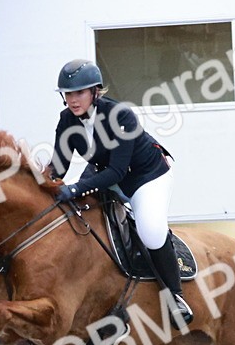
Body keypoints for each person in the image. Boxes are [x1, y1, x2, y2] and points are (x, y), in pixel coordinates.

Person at [46, 59, 193, 325]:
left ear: (95, 92)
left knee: (149, 231)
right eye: (67, 94)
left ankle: (175, 296)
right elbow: (59, 165)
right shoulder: (66, 120)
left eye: (79, 93)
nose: (72, 99)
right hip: (104, 172)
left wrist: (75, 188)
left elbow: (117, 173)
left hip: (146, 175)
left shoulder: (120, 116)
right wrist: (42, 186)